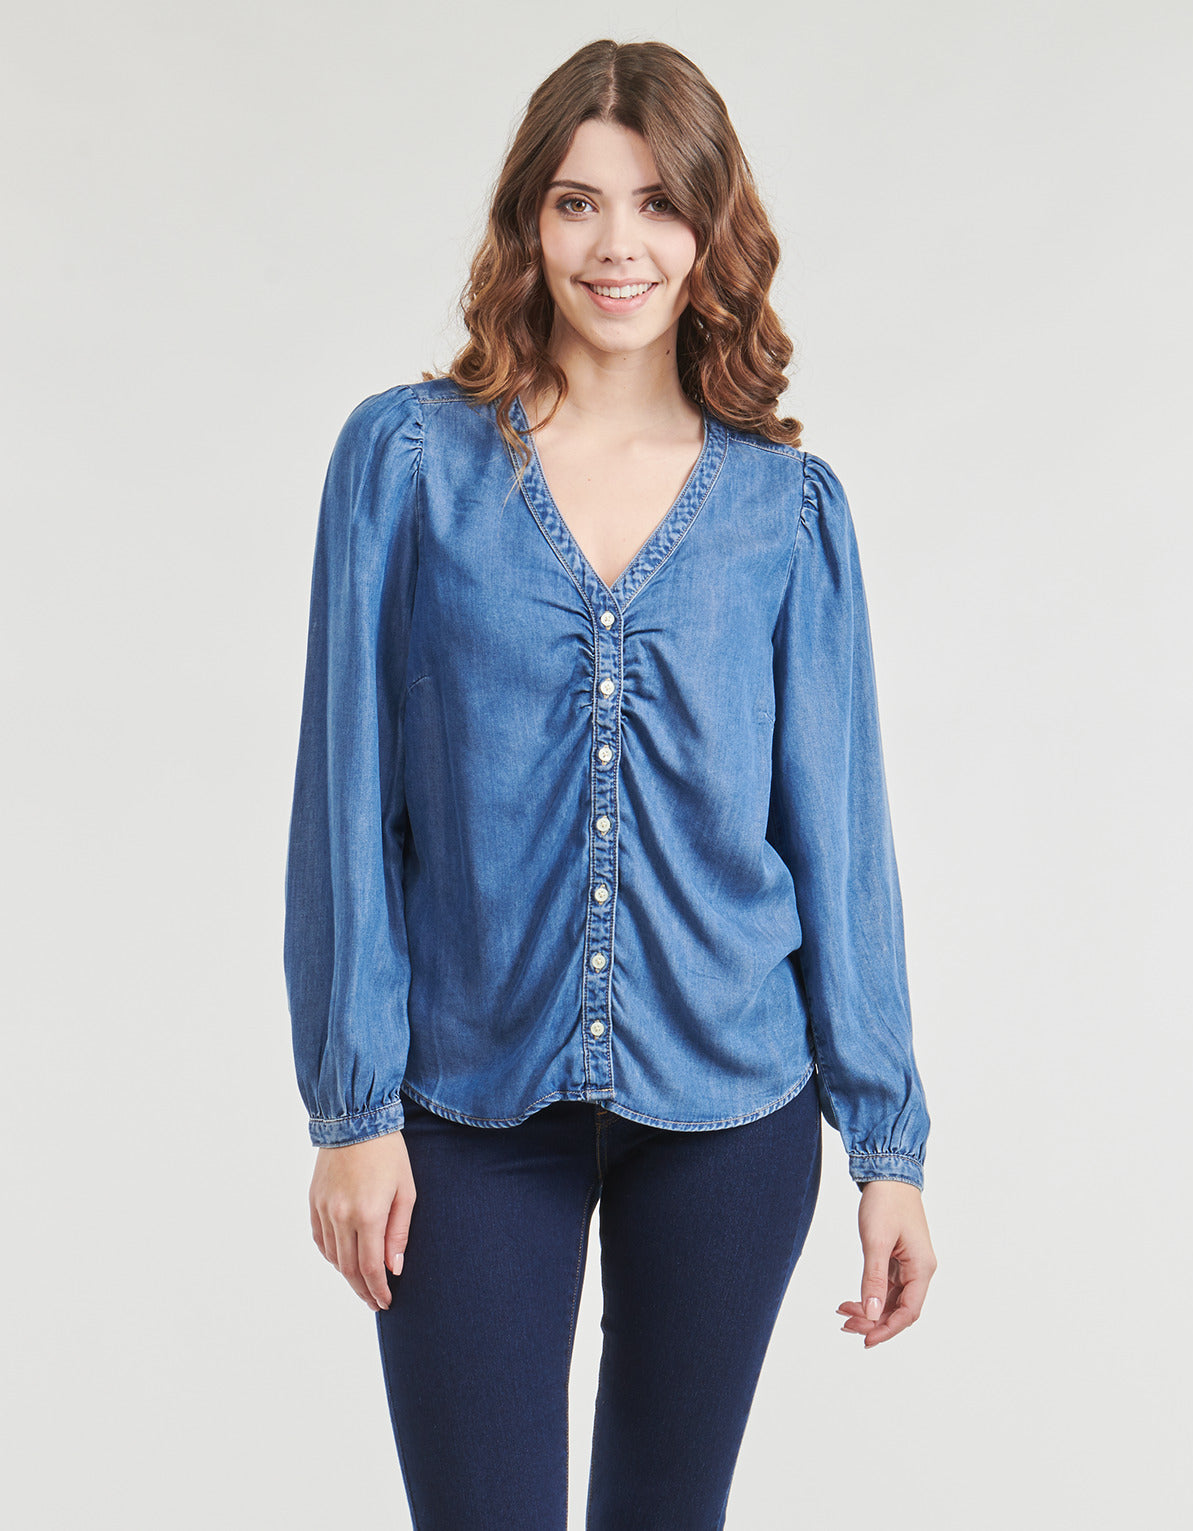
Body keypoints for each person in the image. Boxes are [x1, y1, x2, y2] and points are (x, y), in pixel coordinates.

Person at [283, 36, 937, 1531]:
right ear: (529, 220)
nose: (617, 245)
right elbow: (346, 804)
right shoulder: (407, 464)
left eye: (657, 203)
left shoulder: (786, 509)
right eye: (577, 202)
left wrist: (887, 1147)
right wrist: (350, 1109)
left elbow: (838, 834)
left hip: (732, 1109)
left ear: (709, 229)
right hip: (463, 1104)